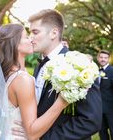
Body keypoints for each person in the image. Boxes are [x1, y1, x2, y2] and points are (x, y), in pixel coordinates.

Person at [13, 9, 102, 140]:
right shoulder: (39, 65)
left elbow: (90, 120)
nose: (31, 38)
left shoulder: (80, 65)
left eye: (35, 32)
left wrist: (44, 137)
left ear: (54, 33)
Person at [0, 23, 68, 140]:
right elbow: (32, 133)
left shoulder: (6, 74)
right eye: (26, 37)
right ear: (15, 44)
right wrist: (62, 102)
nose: (31, 39)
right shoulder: (22, 79)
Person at [97, 50, 113, 140]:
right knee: (102, 132)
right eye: (101, 57)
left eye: (105, 58)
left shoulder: (112, 70)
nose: (103, 59)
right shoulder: (95, 71)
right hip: (99, 108)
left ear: (108, 59)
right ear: (98, 58)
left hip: (111, 109)